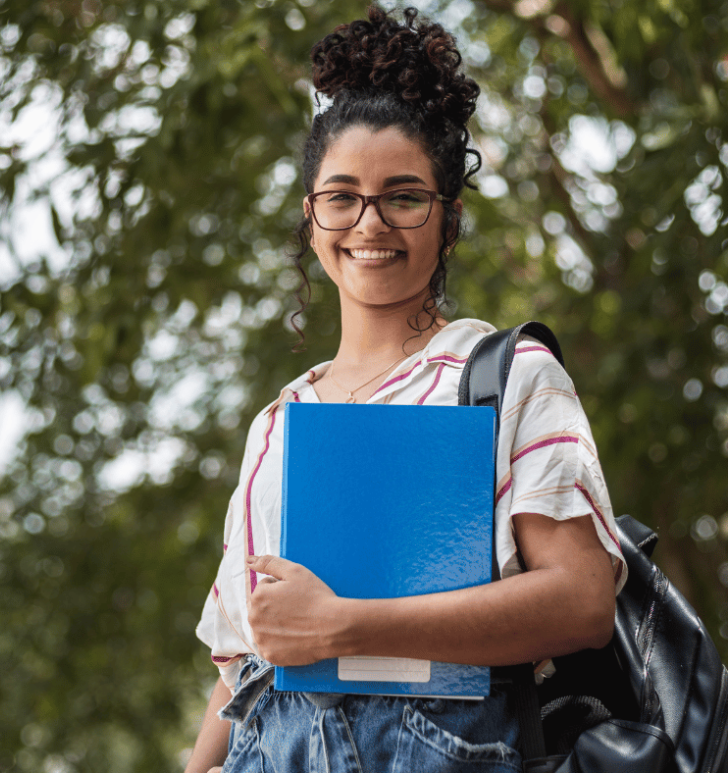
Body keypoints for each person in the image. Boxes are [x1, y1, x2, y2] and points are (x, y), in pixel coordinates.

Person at [185, 6, 627, 773]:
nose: (370, 221)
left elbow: (583, 601)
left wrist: (347, 625)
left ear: (448, 219)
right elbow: (238, 666)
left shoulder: (503, 375)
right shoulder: (279, 424)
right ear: (312, 216)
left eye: (403, 195)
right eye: (343, 195)